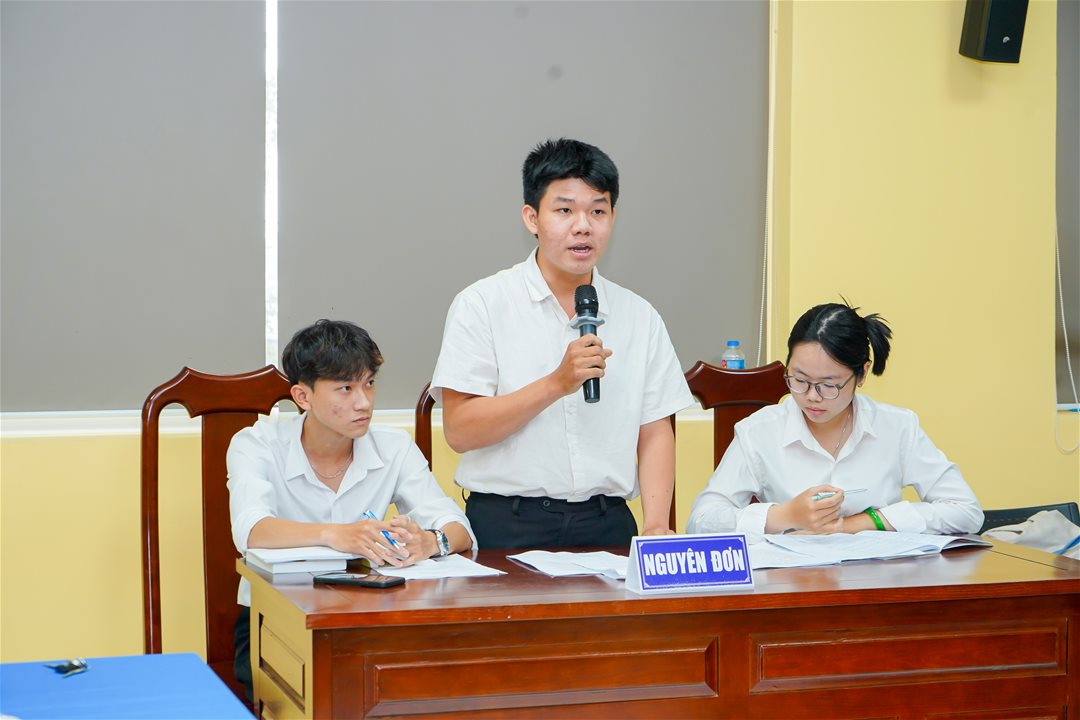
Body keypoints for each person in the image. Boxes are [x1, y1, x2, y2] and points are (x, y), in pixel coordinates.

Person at [430, 138, 693, 548]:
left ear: (613, 217)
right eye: (565, 210)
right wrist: (556, 383)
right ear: (532, 218)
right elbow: (460, 431)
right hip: (506, 524)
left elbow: (655, 427)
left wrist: (656, 524)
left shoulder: (639, 316)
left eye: (598, 211)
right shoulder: (482, 304)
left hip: (607, 523)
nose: (583, 226)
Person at [227, 319, 474, 701]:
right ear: (303, 396)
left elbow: (457, 526)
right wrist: (338, 535)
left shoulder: (393, 446)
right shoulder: (256, 444)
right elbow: (252, 531)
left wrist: (429, 542)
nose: (364, 402)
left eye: (369, 383)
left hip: (370, 617)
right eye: (345, 388)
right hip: (276, 618)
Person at [687, 302, 983, 536]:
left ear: (862, 373)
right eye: (799, 379)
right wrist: (785, 516)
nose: (812, 396)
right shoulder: (759, 431)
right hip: (794, 583)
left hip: (877, 581)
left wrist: (865, 521)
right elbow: (701, 521)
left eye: (829, 385)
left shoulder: (897, 427)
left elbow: (966, 511)